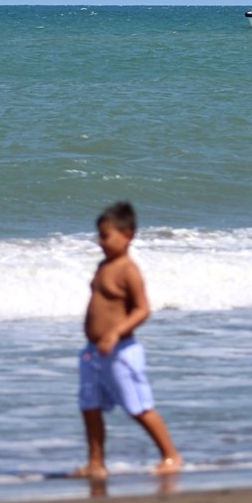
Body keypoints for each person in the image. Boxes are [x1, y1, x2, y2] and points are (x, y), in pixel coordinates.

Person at [73, 202, 182, 479]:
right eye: (99, 235)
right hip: (93, 352)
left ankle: (171, 455)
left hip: (121, 351)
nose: (100, 242)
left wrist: (115, 332)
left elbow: (142, 309)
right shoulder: (103, 265)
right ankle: (96, 463)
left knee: (138, 406)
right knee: (89, 406)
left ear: (128, 235)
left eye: (106, 236)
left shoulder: (128, 269)